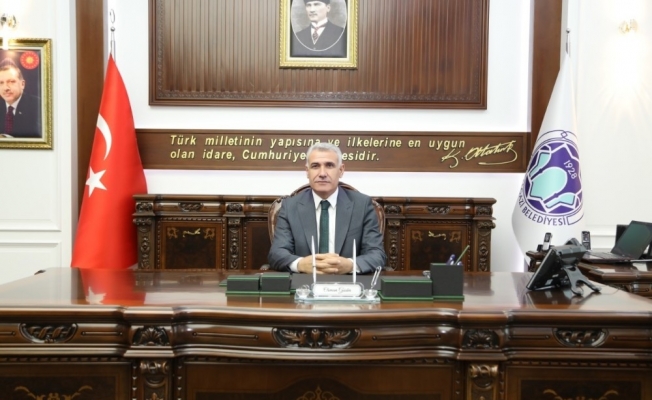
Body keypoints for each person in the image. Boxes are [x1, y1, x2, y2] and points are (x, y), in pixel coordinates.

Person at [268, 143, 386, 274]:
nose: (322, 173)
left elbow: (376, 254)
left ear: (341, 170)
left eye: (329, 165)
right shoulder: (290, 206)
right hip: (304, 282)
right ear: (307, 171)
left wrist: (350, 265)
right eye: (315, 166)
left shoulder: (362, 205)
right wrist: (300, 264)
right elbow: (277, 253)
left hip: (347, 282)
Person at [0, 58, 41, 138]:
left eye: (11, 81)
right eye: (1, 83)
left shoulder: (38, 106)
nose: (5, 88)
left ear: (22, 84)